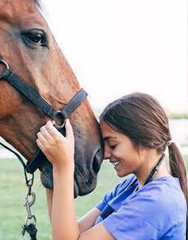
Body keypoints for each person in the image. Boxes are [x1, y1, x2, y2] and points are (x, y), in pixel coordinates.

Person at [36, 92, 187, 240]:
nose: (106, 154)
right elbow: (69, 232)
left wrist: (63, 166)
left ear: (148, 140)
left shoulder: (158, 201)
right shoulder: (129, 187)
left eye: (113, 144)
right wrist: (51, 166)